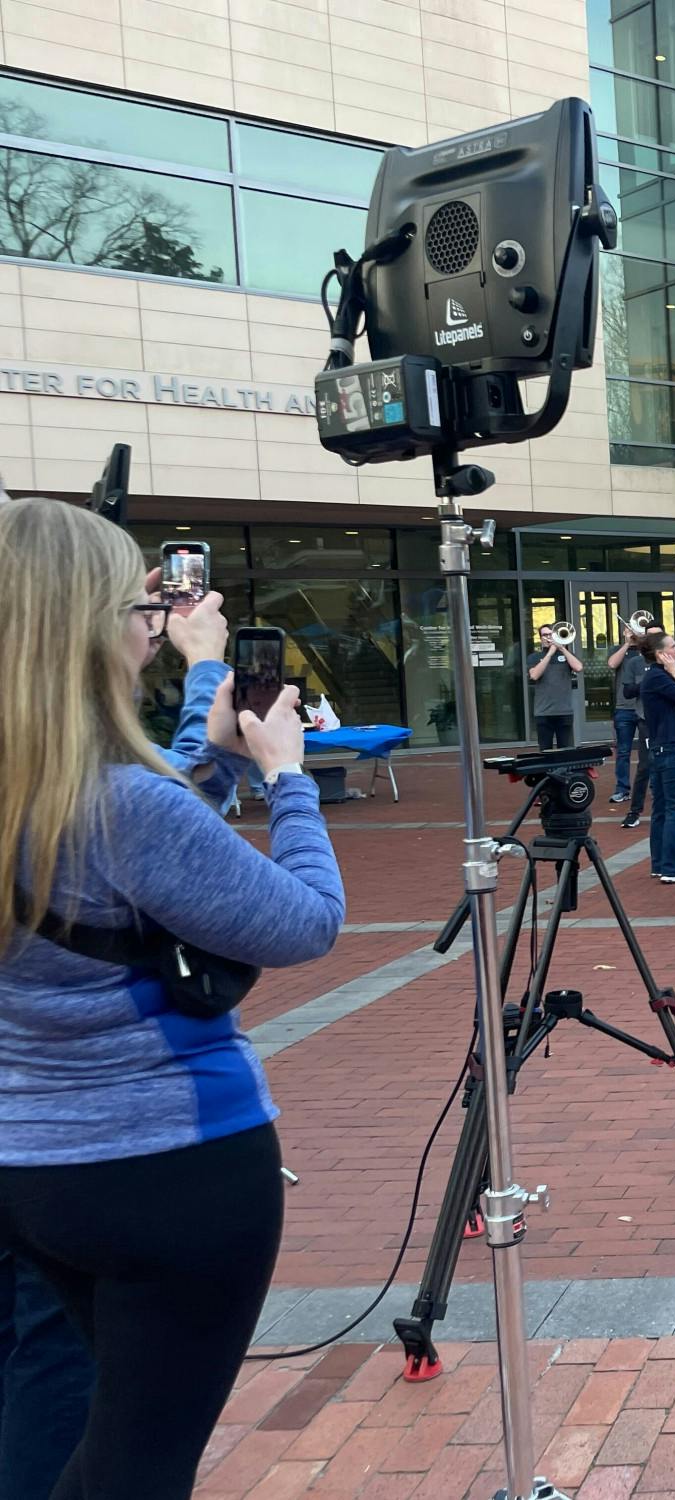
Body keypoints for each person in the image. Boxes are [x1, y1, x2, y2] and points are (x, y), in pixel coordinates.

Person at [0, 496, 345, 1500]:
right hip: (169, 1161)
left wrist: (212, 739)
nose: (147, 628)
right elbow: (305, 923)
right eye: (136, 609)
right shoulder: (123, 806)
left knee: (61, 1411)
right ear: (90, 628)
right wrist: (286, 778)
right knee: (137, 1463)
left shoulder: (58, 796)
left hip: (30, 1160)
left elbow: (153, 843)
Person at [2, 558, 243, 1500]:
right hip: (111, 1142)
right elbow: (301, 919)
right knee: (95, 1414)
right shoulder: (104, 799)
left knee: (38, 1365)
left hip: (28, 1129)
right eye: (131, 611)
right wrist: (218, 687)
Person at [641, 632, 675, 885]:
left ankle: (660, 864)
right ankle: (671, 867)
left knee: (662, 808)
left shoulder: (656, 676)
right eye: (673, 646)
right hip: (670, 748)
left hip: (661, 748)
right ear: (661, 654)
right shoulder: (658, 677)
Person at [607, 619, 650, 821]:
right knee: (623, 751)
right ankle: (622, 789)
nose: (633, 633)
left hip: (644, 709)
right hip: (624, 708)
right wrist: (626, 643)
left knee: (648, 751)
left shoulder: (647, 652)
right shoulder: (619, 649)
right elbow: (611, 664)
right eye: (630, 630)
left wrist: (641, 641)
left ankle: (653, 787)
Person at [528, 622, 582, 749]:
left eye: (550, 634)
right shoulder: (534, 657)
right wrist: (549, 654)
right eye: (545, 635)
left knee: (565, 751)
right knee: (545, 750)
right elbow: (534, 675)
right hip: (543, 712)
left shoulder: (566, 655)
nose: (548, 637)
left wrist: (562, 648)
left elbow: (578, 667)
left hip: (564, 711)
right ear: (540, 638)